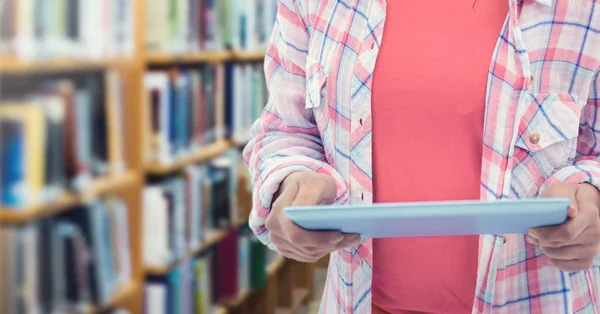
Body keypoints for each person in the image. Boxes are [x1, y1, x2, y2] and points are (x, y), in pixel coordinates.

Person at [243, 0, 600, 313]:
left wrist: (590, 196)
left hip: (541, 301)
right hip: (359, 301)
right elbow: (285, 129)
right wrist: (293, 180)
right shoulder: (313, 4)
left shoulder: (586, 10)